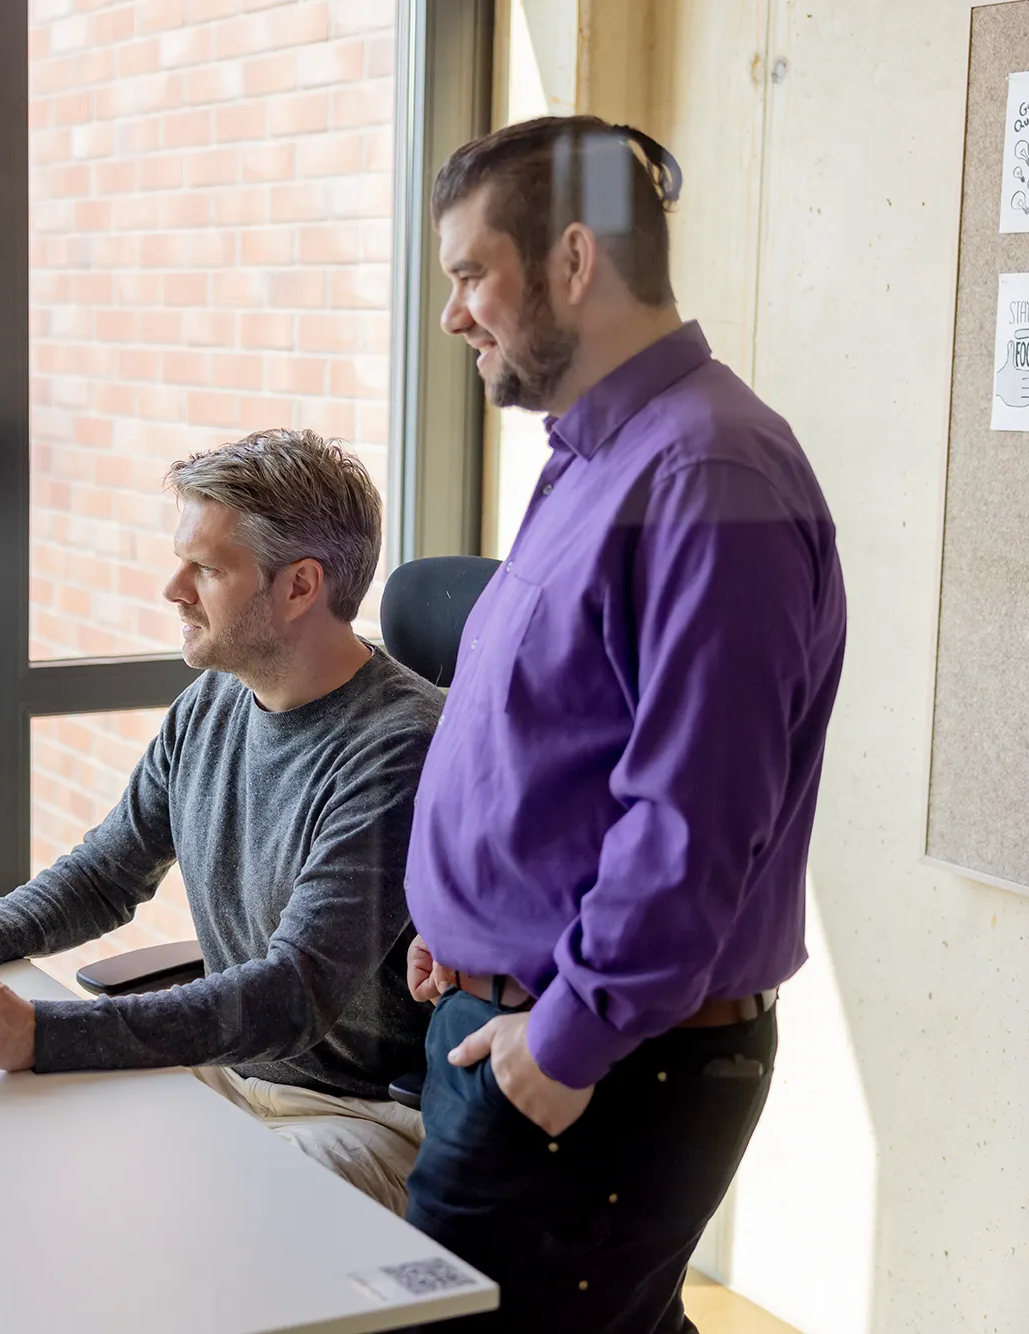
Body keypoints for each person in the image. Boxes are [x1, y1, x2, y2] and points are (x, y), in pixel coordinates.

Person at [401, 116, 848, 1330]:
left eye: (467, 273)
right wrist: (469, 926)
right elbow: (564, 736)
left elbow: (695, 814)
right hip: (526, 1022)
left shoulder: (709, 475)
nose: (452, 315)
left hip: (604, 1058)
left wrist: (562, 1036)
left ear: (572, 262)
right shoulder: (596, 453)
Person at [0, 428, 441, 1212]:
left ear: (300, 586)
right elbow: (106, 872)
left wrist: (45, 1033)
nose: (173, 588)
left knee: (189, 1241)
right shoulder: (215, 701)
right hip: (230, 1074)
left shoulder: (398, 748)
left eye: (205, 567)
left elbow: (292, 996)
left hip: (357, 1114)